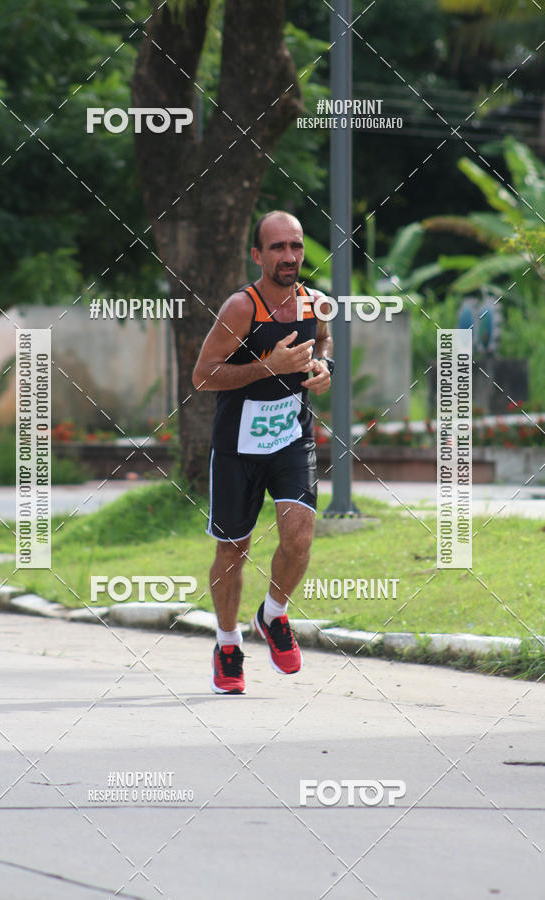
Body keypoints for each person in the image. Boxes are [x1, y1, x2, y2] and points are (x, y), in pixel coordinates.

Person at [192, 210, 333, 694]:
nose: (289, 256)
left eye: (295, 246)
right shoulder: (241, 308)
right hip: (238, 447)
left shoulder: (317, 304)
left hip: (291, 438)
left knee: (299, 536)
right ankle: (228, 643)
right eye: (277, 247)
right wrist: (266, 367)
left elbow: (324, 342)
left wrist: (323, 366)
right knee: (233, 551)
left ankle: (273, 615)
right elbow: (203, 375)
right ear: (258, 255)